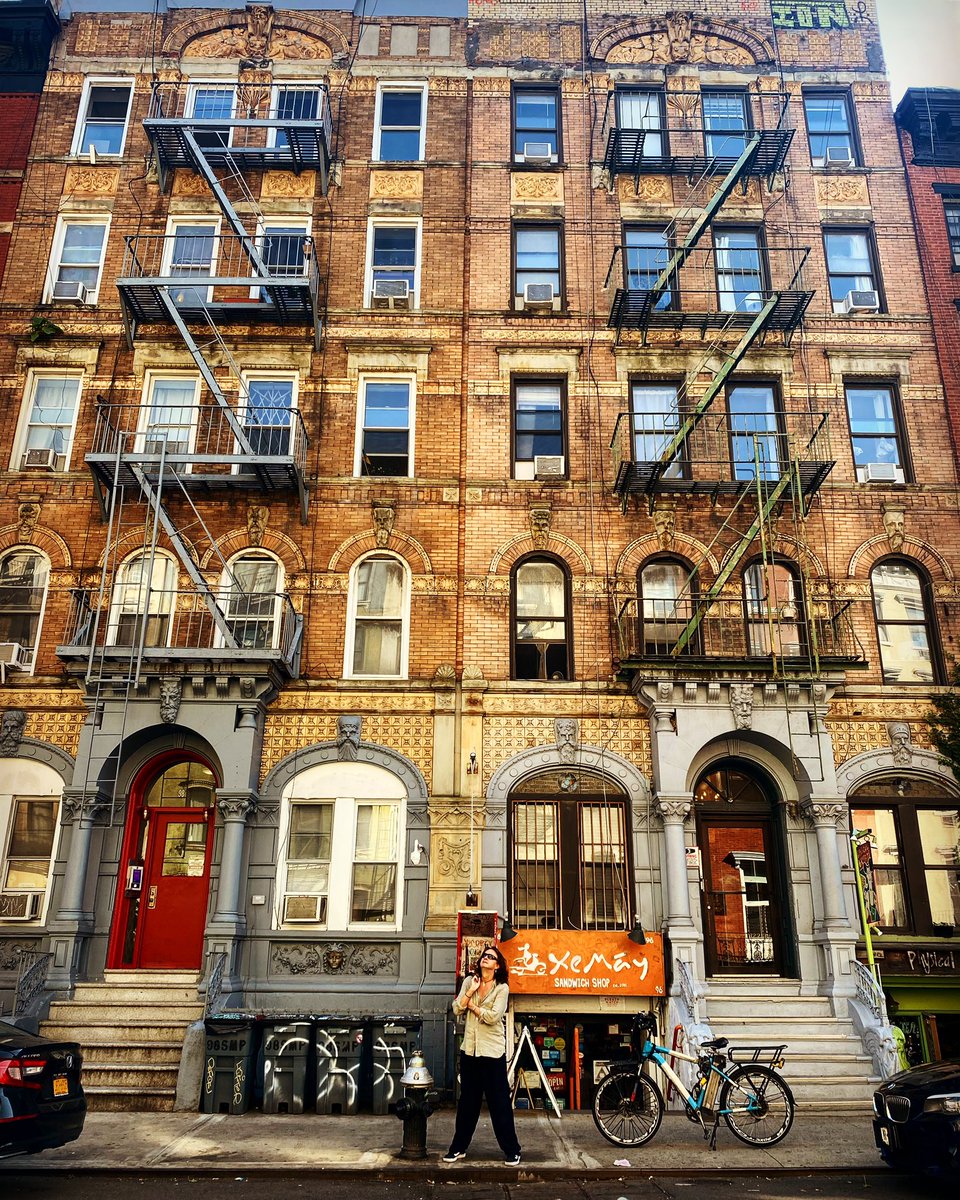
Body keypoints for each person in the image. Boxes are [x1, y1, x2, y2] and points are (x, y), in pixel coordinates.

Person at [443, 943, 522, 1166]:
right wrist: (470, 992)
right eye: (484, 956)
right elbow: (457, 1008)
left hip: (492, 1053)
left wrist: (473, 1007)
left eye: (490, 957)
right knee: (468, 1103)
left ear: (497, 966)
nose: (485, 959)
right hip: (470, 1051)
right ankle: (458, 1148)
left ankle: (512, 1149)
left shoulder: (501, 988)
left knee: (499, 1104)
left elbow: (493, 1017)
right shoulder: (470, 981)